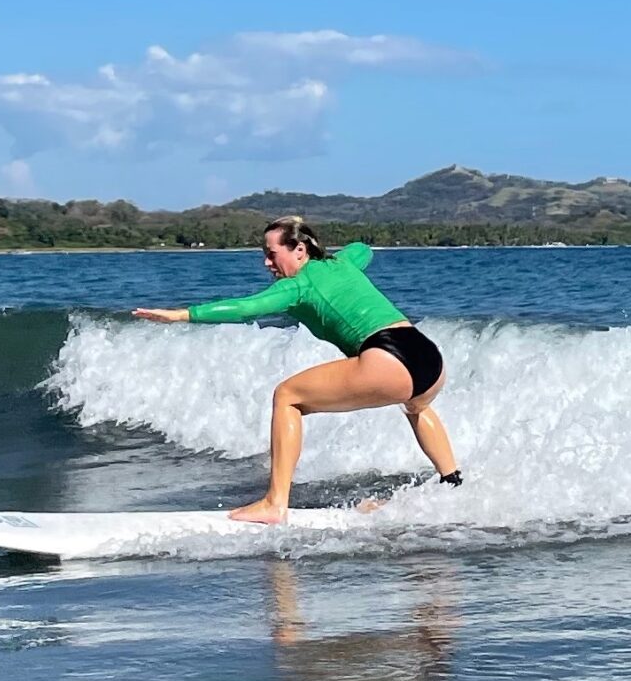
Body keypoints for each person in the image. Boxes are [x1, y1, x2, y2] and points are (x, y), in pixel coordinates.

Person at [133, 216, 461, 523]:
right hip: (429, 357)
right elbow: (363, 249)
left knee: (286, 396)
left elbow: (246, 308)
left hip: (387, 356)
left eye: (271, 254)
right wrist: (336, 252)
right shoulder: (343, 263)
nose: (267, 263)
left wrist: (180, 316)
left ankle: (276, 503)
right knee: (416, 405)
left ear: (300, 250)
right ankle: (453, 483)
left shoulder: (296, 287)